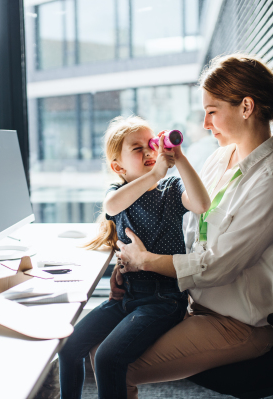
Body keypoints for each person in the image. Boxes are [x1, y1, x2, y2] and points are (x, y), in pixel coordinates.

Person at [104, 54, 273, 398]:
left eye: (212, 111)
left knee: (114, 364)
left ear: (246, 107)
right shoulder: (220, 157)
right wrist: (134, 268)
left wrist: (145, 260)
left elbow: (215, 267)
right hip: (190, 304)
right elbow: (189, 235)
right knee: (95, 346)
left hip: (237, 324)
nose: (204, 124)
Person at [58, 116, 210, 399]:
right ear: (118, 166)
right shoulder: (118, 194)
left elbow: (202, 204)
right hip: (127, 296)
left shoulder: (171, 189)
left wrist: (179, 159)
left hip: (163, 301)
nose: (149, 152)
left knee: (106, 358)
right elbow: (111, 206)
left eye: (151, 145)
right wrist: (154, 175)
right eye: (137, 149)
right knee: (68, 347)